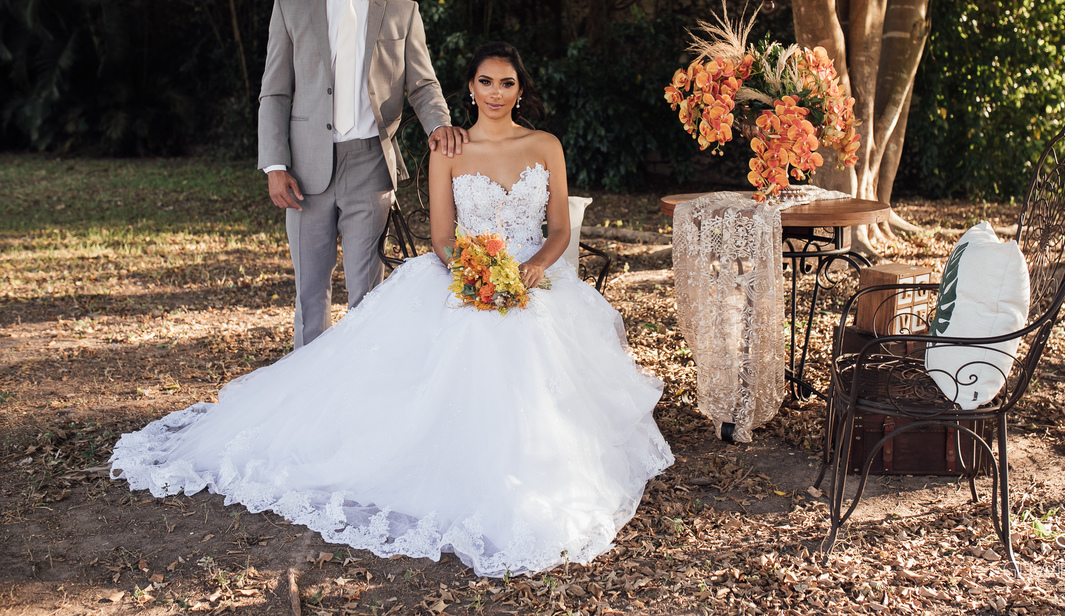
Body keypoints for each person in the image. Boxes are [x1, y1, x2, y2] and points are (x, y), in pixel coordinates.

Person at [110, 42, 674, 577]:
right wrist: (474, 274)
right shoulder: (449, 150)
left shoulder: (545, 145)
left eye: (507, 83)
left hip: (535, 277)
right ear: (469, 87)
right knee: (464, 337)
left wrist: (533, 268)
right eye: (485, 82)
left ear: (520, 89)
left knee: (534, 346)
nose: (496, 93)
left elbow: (558, 231)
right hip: (465, 274)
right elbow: (443, 238)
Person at [258, 0, 468, 349]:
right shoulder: (290, 7)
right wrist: (274, 164)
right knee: (309, 292)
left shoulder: (402, 11)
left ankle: (362, 385)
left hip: (371, 166)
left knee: (368, 295)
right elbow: (275, 92)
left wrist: (439, 126)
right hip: (304, 170)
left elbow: (423, 84)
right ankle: (308, 384)